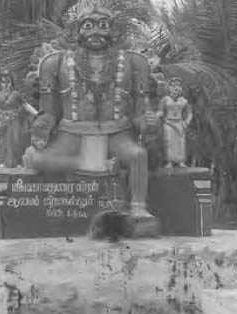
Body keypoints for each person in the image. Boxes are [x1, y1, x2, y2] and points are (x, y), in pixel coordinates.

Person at [22, 0, 161, 221]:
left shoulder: (135, 62)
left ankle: (138, 209)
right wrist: (42, 124)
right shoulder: (55, 62)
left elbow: (141, 111)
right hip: (72, 134)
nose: (96, 30)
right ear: (77, 30)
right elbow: (50, 112)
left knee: (138, 155)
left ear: (113, 29)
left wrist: (148, 122)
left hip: (117, 132)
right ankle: (90, 163)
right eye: (88, 25)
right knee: (39, 161)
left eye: (103, 25)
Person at [0, 69, 38, 168]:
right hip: (1, 122)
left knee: (16, 141)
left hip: (15, 122)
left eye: (8, 82)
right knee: (1, 143)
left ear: (11, 83)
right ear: (0, 83)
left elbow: (26, 105)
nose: (5, 84)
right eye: (3, 82)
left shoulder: (16, 94)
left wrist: (37, 114)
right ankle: (2, 163)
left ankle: (18, 163)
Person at [158, 77, 193, 168]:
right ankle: (169, 161)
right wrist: (155, 115)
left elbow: (190, 113)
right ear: (169, 88)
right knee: (169, 142)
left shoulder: (184, 101)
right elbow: (161, 111)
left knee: (180, 142)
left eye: (178, 86)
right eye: (173, 86)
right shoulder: (165, 99)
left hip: (180, 123)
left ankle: (180, 161)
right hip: (168, 123)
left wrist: (186, 122)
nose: (175, 88)